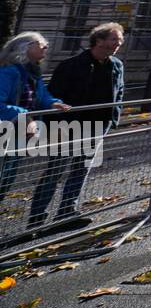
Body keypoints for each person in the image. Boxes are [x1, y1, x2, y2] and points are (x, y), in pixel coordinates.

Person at [32, 23, 125, 228]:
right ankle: (37, 217)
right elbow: (54, 94)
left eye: (119, 40)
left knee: (81, 168)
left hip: (98, 124)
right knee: (56, 169)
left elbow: (119, 92)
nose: (118, 43)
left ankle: (66, 212)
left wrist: (114, 117)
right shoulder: (72, 65)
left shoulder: (117, 65)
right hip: (69, 125)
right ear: (99, 40)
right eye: (114, 39)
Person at [0, 33, 71, 217]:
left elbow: (41, 96)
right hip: (8, 129)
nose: (46, 48)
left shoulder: (33, 73)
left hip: (19, 132)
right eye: (41, 44)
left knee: (7, 176)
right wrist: (24, 116)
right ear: (26, 47)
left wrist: (52, 103)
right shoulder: (9, 72)